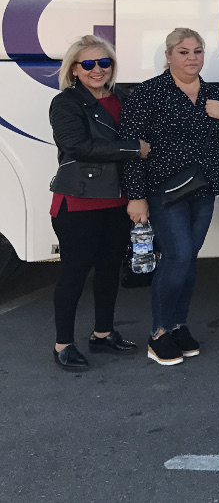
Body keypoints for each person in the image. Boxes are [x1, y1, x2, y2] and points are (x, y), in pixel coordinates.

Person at [121, 28, 219, 366]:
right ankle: (158, 333)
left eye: (198, 51)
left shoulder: (214, 95)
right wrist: (136, 196)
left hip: (203, 191)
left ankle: (178, 325)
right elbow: (132, 149)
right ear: (169, 55)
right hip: (164, 191)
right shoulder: (148, 93)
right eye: (184, 51)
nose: (192, 58)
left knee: (189, 260)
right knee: (177, 257)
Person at [47, 36, 149, 370]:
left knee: (108, 270)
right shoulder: (65, 104)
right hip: (79, 201)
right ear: (74, 69)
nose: (97, 70)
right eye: (88, 64)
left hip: (117, 200)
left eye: (103, 62)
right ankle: (63, 344)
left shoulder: (122, 97)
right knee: (74, 274)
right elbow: (78, 147)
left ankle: (102, 334)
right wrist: (133, 148)